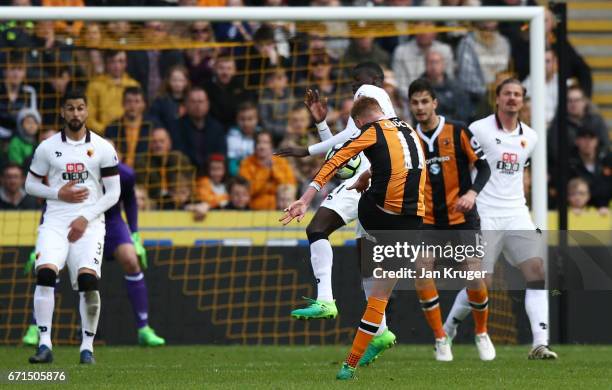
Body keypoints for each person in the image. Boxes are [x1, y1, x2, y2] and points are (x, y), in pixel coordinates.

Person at [280, 96, 426, 380]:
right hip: (413, 221)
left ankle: (326, 299)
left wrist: (306, 197)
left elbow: (336, 160)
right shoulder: (408, 128)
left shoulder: (369, 131)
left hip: (376, 213)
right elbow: (402, 163)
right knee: (378, 296)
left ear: (358, 122)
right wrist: (367, 174)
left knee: (327, 223)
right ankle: (349, 365)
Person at [276, 62, 399, 367]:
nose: (354, 90)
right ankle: (381, 332)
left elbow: (341, 154)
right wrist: (318, 130)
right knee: (366, 266)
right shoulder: (375, 118)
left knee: (317, 228)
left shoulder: (369, 96)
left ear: (373, 82)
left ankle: (326, 299)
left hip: (370, 181)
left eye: (358, 82)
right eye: (353, 84)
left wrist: (308, 151)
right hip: (383, 181)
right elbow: (344, 153)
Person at [442, 78, 558, 360]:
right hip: (485, 214)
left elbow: (521, 172)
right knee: (482, 283)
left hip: (517, 212)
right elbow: (463, 164)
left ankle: (539, 343)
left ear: (523, 100)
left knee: (536, 272)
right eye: (508, 93)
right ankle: (448, 329)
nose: (512, 99)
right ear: (498, 98)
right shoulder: (478, 130)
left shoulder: (530, 136)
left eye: (518, 95)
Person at [22, 162, 166, 347]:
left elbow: (129, 200)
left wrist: (135, 233)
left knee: (131, 259)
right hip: (74, 220)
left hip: (111, 222)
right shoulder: (72, 170)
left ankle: (144, 329)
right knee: (51, 266)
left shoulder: (125, 174)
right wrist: (40, 244)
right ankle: (36, 328)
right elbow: (52, 204)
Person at [24, 89, 121, 364]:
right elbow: (30, 185)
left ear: (87, 111)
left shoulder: (103, 148)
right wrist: (58, 194)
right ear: (62, 112)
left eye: (80, 108)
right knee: (45, 274)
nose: (76, 114)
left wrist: (84, 217)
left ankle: (87, 347)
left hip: (89, 224)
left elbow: (113, 194)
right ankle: (44, 345)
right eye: (70, 108)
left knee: (88, 281)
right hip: (55, 222)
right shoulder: (47, 147)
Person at [406, 79, 494, 361]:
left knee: (475, 279)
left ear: (435, 103)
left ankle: (481, 332)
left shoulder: (458, 131)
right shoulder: (408, 139)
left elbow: (483, 167)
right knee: (422, 273)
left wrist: (472, 192)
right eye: (414, 102)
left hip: (463, 218)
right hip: (428, 221)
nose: (420, 107)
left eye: (424, 101)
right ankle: (440, 339)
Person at [173, 87, 226, 175]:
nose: (198, 106)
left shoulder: (217, 128)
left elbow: (221, 154)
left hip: (211, 175)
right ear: (186, 104)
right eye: (193, 102)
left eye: (201, 102)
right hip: (184, 174)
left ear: (207, 104)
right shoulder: (176, 127)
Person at [86, 50, 140, 134]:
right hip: (103, 136)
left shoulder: (133, 85)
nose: (117, 66)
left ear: (126, 63)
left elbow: (139, 115)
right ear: (106, 63)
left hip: (130, 134)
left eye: (121, 61)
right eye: (112, 61)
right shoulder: (95, 85)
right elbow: (88, 118)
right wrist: (107, 131)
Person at [238, 131, 296, 210]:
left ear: (271, 146)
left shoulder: (281, 162)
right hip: (253, 210)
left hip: (280, 208)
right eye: (259, 142)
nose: (262, 146)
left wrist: (275, 172)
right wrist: (266, 172)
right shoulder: (246, 163)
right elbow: (246, 191)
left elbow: (290, 186)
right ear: (254, 146)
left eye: (265, 143)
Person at [104, 87, 155, 168]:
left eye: (137, 101)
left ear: (144, 104)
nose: (132, 105)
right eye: (129, 101)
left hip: (145, 172)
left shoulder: (152, 126)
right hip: (120, 173)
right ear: (123, 103)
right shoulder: (112, 127)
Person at [227, 101, 261, 177]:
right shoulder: (232, 135)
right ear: (237, 119)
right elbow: (232, 166)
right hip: (239, 179)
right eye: (242, 119)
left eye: (250, 119)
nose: (246, 123)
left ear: (257, 119)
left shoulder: (263, 135)